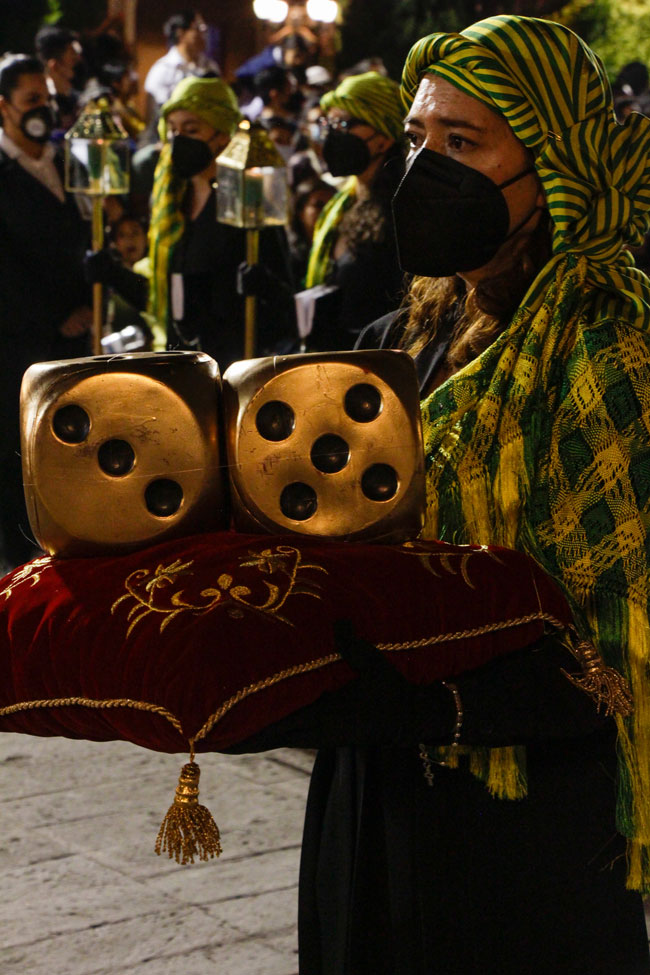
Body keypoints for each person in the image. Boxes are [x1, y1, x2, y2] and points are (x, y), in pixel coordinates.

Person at [232, 16, 650, 975]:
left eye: (462, 144)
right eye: (419, 139)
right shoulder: (418, 323)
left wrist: (391, 675)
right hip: (380, 779)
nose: (426, 169)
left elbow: (600, 647)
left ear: (551, 162)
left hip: (527, 815)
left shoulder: (607, 349)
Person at [90, 75, 296, 370]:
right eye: (173, 130)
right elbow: (165, 299)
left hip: (234, 367)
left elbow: (283, 301)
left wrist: (264, 288)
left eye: (191, 129)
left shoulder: (249, 201)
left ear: (222, 134)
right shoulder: (173, 201)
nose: (178, 139)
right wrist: (113, 274)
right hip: (182, 367)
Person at [0, 54, 92, 570]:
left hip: (71, 346)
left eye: (48, 99)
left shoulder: (61, 161)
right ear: (4, 107)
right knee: (18, 465)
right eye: (31, 101)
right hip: (19, 347)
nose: (43, 111)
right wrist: (51, 318)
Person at [303, 71, 407, 351]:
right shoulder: (343, 203)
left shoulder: (400, 212)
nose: (332, 136)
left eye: (343, 124)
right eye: (329, 124)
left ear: (383, 138)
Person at [143, 10, 219, 114]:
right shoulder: (162, 70)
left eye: (205, 29)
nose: (204, 34)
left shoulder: (211, 67)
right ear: (180, 33)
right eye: (199, 28)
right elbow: (156, 111)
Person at [34, 25, 83, 131]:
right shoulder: (41, 105)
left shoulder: (77, 100)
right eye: (72, 58)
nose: (78, 61)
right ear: (54, 65)